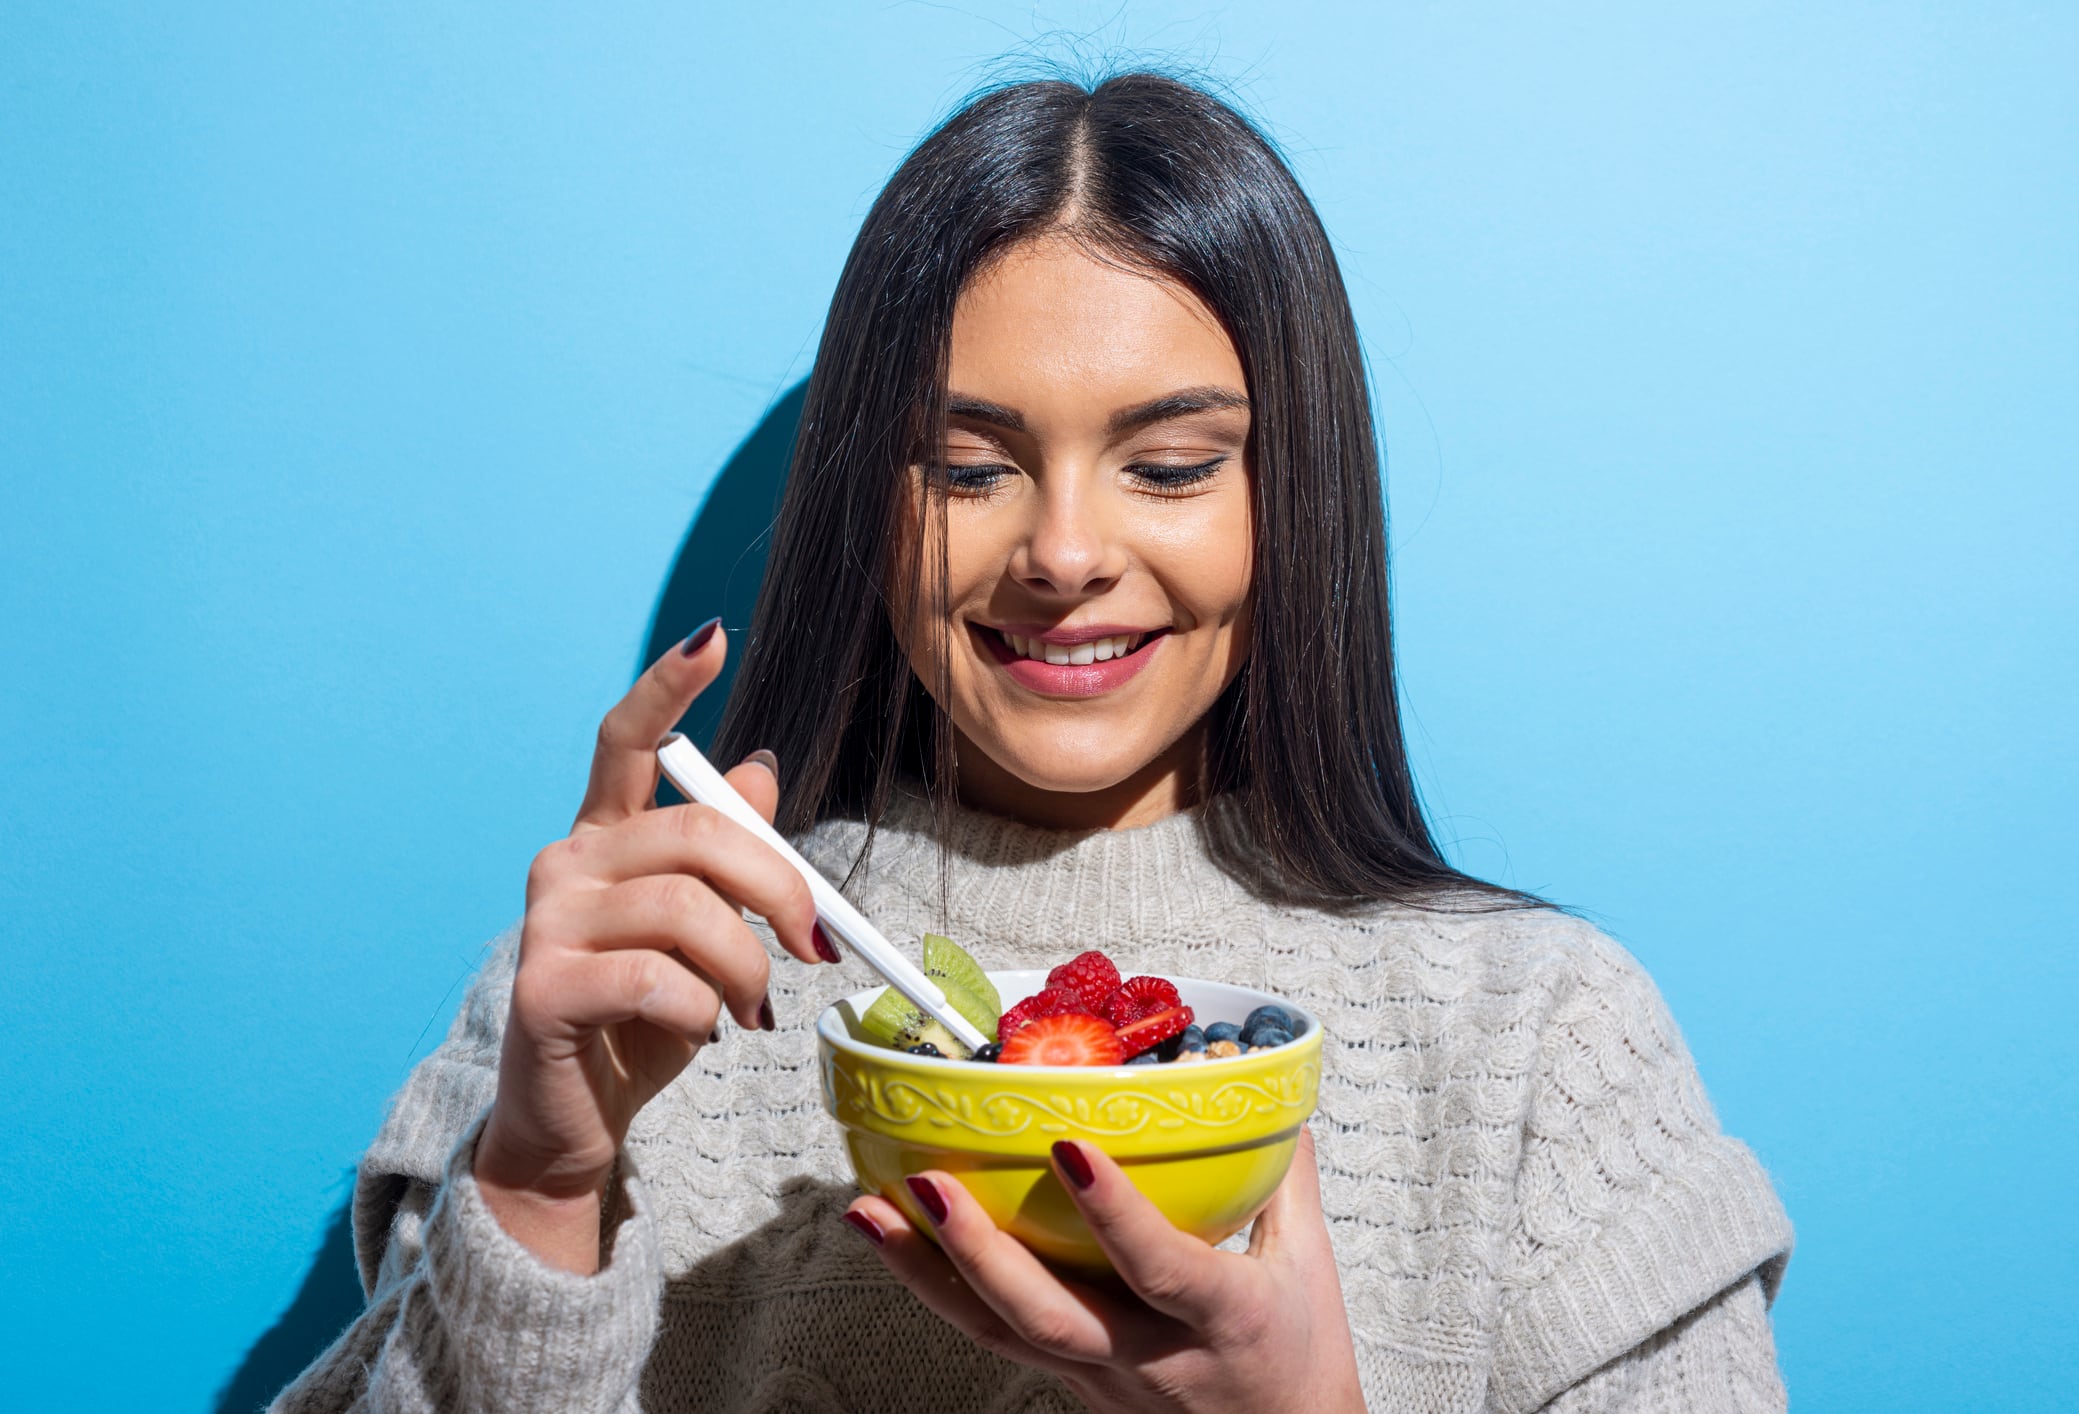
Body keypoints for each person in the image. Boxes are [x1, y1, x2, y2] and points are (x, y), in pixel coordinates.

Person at [275, 71, 1792, 1414]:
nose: (1063, 552)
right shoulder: (628, 998)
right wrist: (542, 1191)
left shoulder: (1543, 1044)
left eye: (1173, 463)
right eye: (968, 464)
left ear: (1291, 499)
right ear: (870, 502)